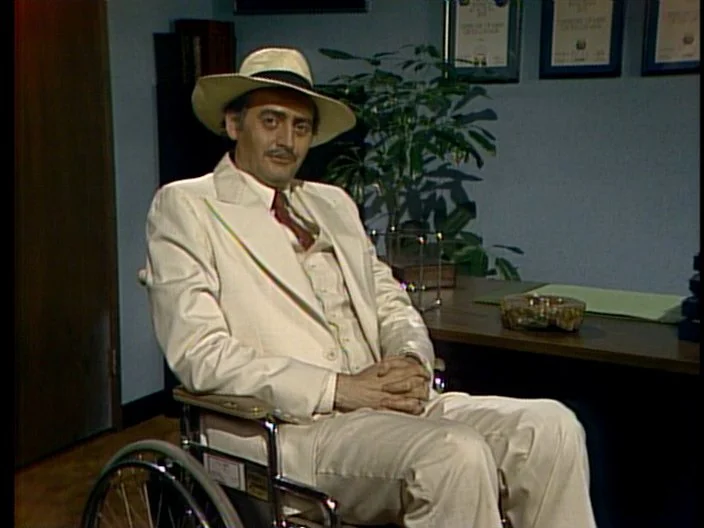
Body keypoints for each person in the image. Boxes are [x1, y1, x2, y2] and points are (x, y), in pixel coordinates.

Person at [142, 46, 598, 527]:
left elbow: (390, 300)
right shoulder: (187, 206)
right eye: (271, 121)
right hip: (292, 427)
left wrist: (409, 359)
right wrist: (339, 389)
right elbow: (201, 354)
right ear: (234, 124)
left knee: (550, 429)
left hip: (387, 409)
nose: (287, 141)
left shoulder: (331, 204)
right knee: (453, 454)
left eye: (300, 127)